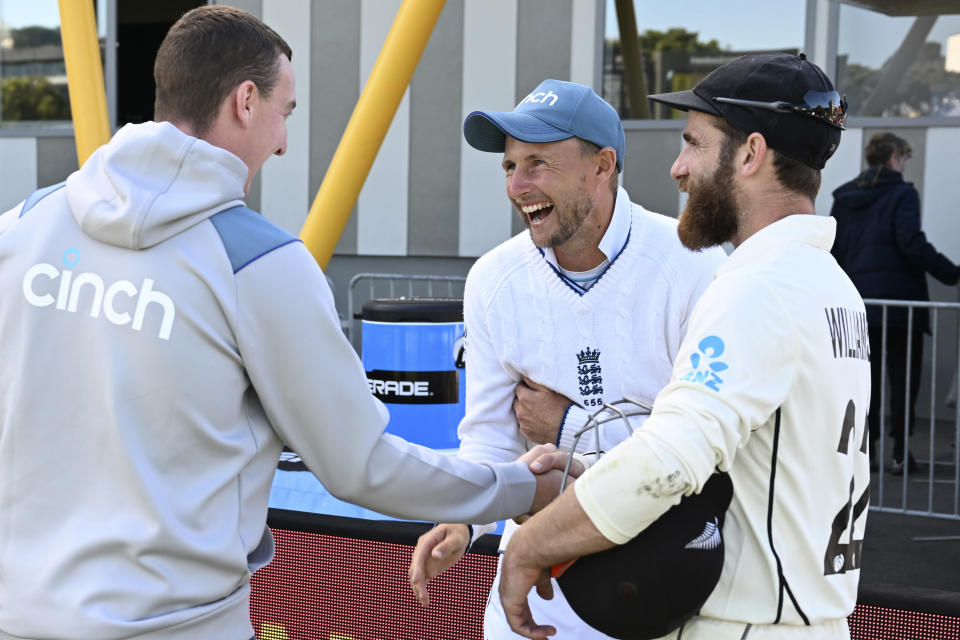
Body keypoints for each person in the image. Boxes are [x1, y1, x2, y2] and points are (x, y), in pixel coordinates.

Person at [0, 7, 566, 640]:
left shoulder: (24, 223)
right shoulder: (259, 263)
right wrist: (520, 488)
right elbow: (361, 465)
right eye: (285, 112)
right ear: (246, 101)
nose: (284, 142)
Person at [497, 53, 871, 640]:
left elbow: (667, 463)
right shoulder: (833, 286)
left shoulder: (758, 287)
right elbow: (747, 472)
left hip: (747, 624)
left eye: (693, 143)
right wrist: (585, 473)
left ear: (750, 153)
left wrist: (529, 547)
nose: (677, 168)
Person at [407, 78, 727, 639]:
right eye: (509, 167)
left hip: (663, 563)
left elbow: (708, 448)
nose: (518, 185)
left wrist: (568, 424)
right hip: (539, 568)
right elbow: (488, 436)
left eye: (538, 163)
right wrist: (461, 518)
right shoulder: (493, 279)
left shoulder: (693, 265)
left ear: (602, 166)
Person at [830, 132, 960, 475]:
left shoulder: (844, 196)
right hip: (901, 305)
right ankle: (901, 454)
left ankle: (864, 453)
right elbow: (911, 243)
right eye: (903, 158)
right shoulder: (903, 193)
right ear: (893, 159)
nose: (904, 164)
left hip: (857, 304)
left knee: (862, 381)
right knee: (903, 381)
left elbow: (836, 250)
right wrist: (953, 274)